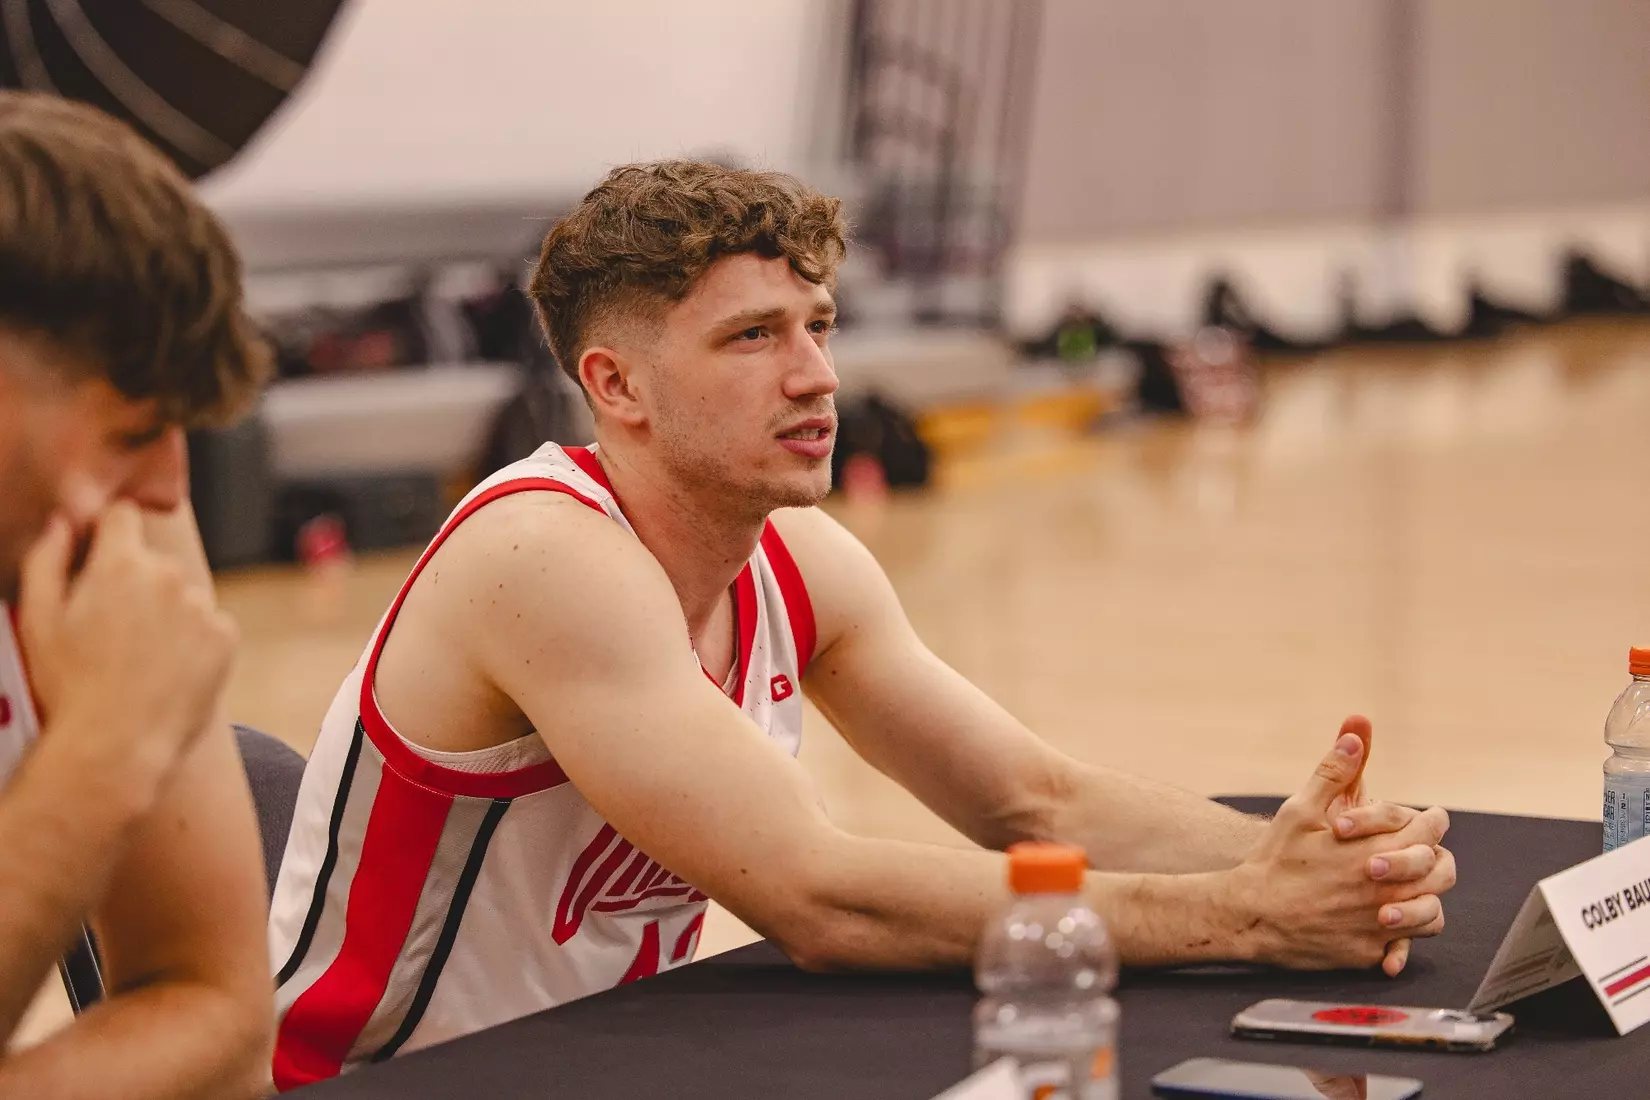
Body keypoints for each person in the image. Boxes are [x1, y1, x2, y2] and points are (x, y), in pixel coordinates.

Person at [269, 161, 1457, 1087]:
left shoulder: (797, 557)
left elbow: (1035, 798)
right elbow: (819, 895)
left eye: (820, 325)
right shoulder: (540, 558)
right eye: (753, 336)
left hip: (601, 1063)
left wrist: (1325, 861)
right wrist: (1249, 913)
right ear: (616, 385)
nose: (817, 375)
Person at [0, 93, 274, 1097]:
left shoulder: (110, 530)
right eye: (133, 433)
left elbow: (218, 1014)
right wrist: (100, 751)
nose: (168, 489)